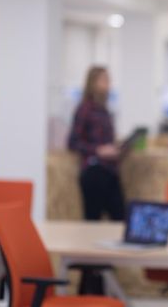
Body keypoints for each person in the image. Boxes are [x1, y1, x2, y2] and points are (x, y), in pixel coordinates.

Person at [68, 66, 125, 221]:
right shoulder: (85, 109)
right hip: (94, 172)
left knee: (120, 218)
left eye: (109, 80)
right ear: (92, 83)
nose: (108, 84)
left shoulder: (104, 110)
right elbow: (73, 142)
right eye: (104, 80)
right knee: (92, 220)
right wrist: (98, 150)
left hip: (110, 171)